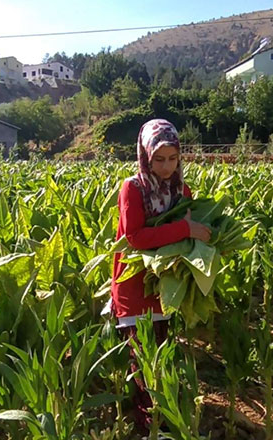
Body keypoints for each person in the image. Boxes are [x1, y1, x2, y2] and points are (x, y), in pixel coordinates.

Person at [110, 119, 212, 433]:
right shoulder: (134, 188)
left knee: (162, 353)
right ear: (145, 155)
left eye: (173, 158)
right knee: (142, 361)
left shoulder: (182, 189)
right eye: (159, 159)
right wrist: (186, 229)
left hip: (165, 287)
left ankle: (162, 420)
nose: (167, 167)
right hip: (134, 285)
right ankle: (146, 426)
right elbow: (135, 238)